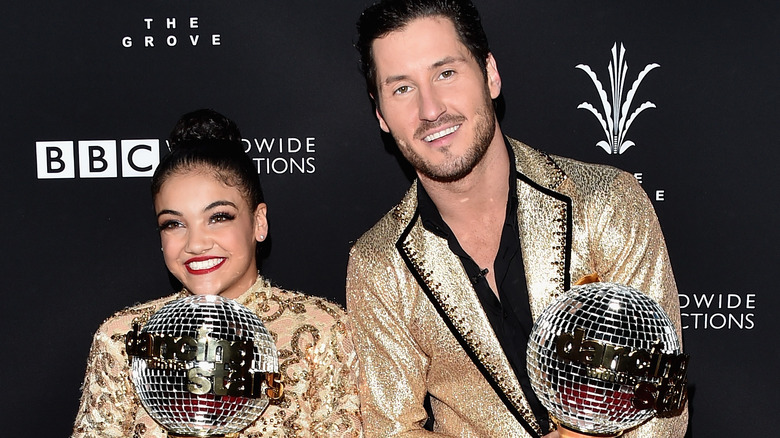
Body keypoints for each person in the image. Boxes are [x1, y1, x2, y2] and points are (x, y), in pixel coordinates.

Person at [345, 1, 687, 437]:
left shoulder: (606, 201)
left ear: (490, 74)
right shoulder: (378, 263)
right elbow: (392, 431)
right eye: (402, 89)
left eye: (445, 73)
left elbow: (663, 402)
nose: (430, 110)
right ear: (381, 115)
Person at [72, 109, 362, 437]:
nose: (196, 243)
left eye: (218, 217)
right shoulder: (123, 339)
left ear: (258, 222)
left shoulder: (320, 330)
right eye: (174, 223)